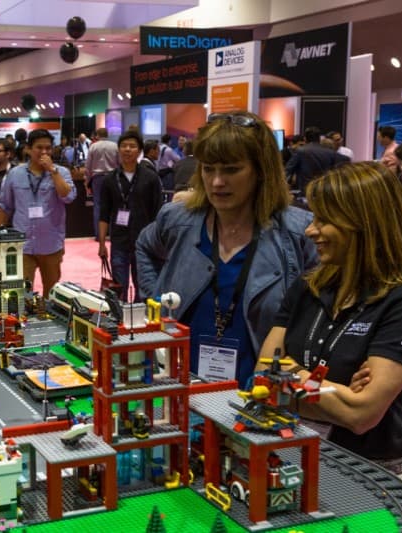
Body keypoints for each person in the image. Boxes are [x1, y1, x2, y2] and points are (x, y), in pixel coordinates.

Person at [258, 162, 402, 491]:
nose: (311, 231)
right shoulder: (306, 288)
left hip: (378, 478)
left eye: (324, 220)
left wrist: (289, 376)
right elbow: (263, 375)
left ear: (363, 224)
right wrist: (336, 391)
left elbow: (360, 415)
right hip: (301, 458)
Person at [136, 111, 318, 386]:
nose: (217, 182)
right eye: (209, 169)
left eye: (231, 170)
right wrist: (155, 300)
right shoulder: (177, 220)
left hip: (257, 391)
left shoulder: (299, 233)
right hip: (181, 385)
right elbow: (144, 246)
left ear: (261, 171)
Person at [0, 129, 76, 298]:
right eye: (39, 147)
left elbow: (68, 197)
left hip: (51, 244)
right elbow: (5, 205)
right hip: (23, 245)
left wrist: (52, 171)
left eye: (48, 148)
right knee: (22, 294)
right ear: (28, 149)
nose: (44, 152)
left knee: (52, 293)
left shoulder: (61, 172)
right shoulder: (15, 174)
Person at [97, 131, 162, 302]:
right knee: (119, 288)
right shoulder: (109, 179)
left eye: (132, 146)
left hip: (144, 242)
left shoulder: (150, 177)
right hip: (119, 241)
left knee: (144, 287)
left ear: (139, 150)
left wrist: (157, 242)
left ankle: (142, 317)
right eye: (124, 146)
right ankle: (120, 317)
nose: (127, 149)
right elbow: (104, 213)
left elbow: (157, 212)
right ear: (118, 149)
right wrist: (102, 243)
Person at [285, 126, 349, 198]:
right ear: (319, 138)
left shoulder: (301, 151)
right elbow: (346, 159)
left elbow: (288, 170)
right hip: (324, 191)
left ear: (305, 139)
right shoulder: (328, 151)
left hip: (306, 192)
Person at [85, 128, 119, 240]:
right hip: (112, 176)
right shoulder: (115, 146)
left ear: (97, 135)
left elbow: (88, 166)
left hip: (97, 178)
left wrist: (87, 180)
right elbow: (120, 163)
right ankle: (113, 233)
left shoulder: (93, 146)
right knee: (114, 205)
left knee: (98, 205)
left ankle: (99, 235)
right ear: (107, 134)